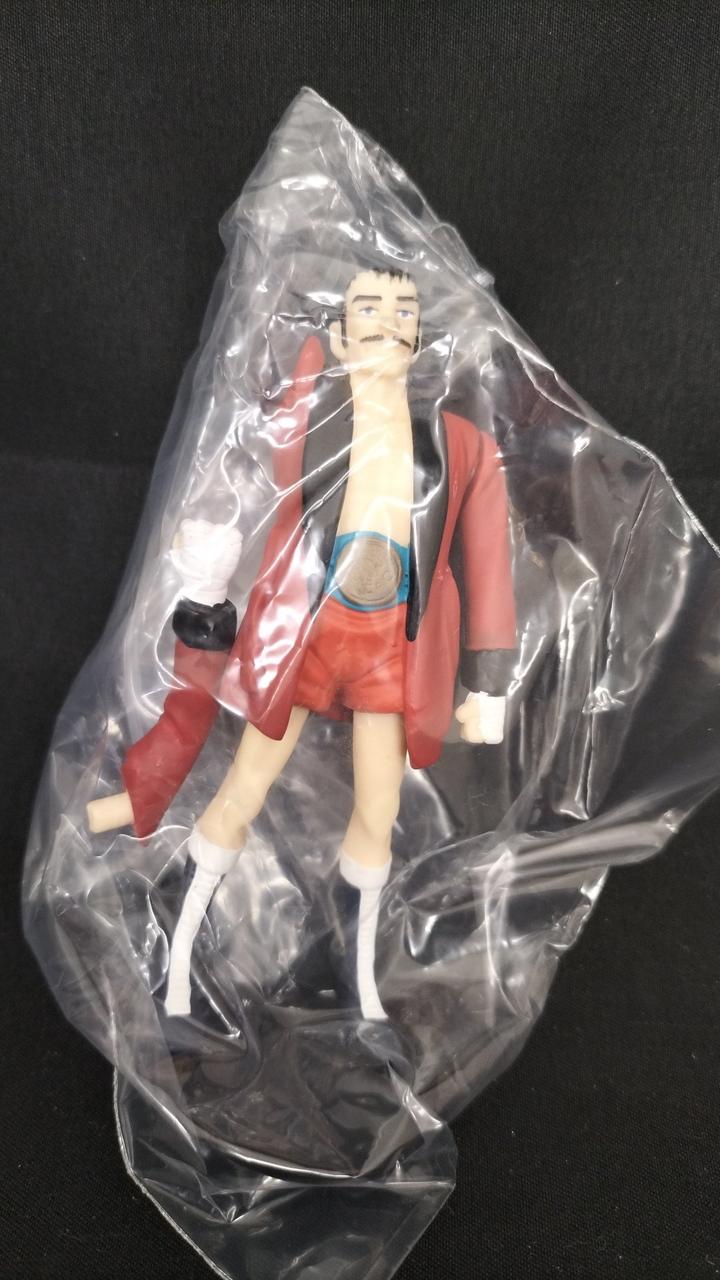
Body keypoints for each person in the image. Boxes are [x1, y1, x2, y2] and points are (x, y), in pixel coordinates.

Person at [88, 264, 517, 1021]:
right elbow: (249, 443)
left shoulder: (460, 446)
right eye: (368, 308)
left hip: (394, 644)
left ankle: (345, 967)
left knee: (380, 807)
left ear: (421, 335)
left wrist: (486, 680)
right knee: (247, 783)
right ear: (341, 332)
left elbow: (487, 564)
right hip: (305, 630)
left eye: (403, 310)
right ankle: (176, 937)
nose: (387, 321)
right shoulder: (311, 409)